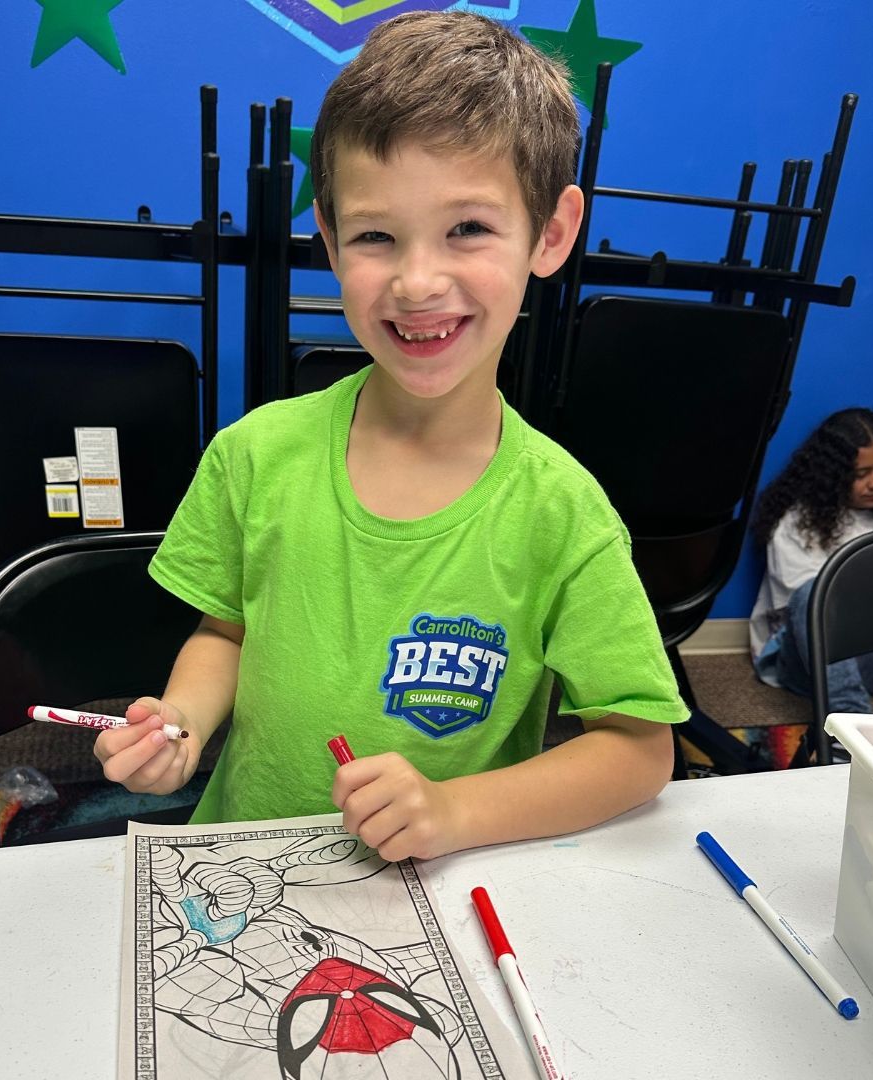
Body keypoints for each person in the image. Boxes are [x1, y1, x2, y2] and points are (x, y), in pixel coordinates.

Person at [95, 11, 687, 861]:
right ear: (332, 242)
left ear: (550, 233)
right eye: (376, 236)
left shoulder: (563, 512)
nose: (417, 282)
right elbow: (225, 633)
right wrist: (182, 721)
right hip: (245, 866)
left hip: (445, 894)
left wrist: (451, 812)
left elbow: (638, 749)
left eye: (469, 229)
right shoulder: (255, 454)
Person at [749, 407, 873, 713]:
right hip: (809, 663)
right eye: (862, 473)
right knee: (814, 594)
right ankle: (848, 727)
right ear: (834, 475)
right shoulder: (798, 526)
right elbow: (805, 614)